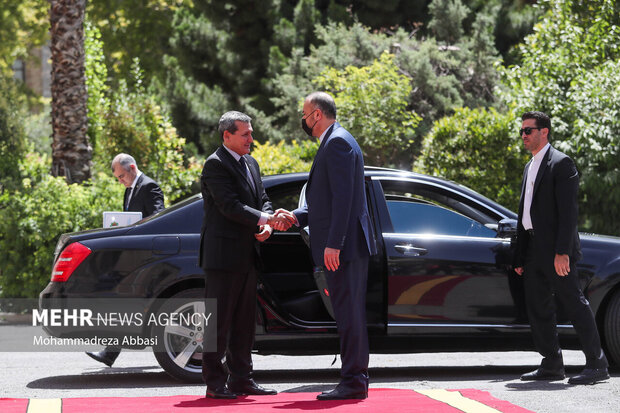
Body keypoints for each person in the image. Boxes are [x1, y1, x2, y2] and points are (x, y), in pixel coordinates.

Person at [279, 92, 376, 400]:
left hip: (343, 248)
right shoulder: (337, 140)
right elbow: (326, 201)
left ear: (317, 115)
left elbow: (344, 200)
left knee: (349, 314)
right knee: (349, 313)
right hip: (345, 246)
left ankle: (354, 381)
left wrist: (334, 244)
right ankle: (355, 379)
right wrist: (295, 216)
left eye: (305, 115)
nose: (304, 121)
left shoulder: (337, 143)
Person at [514, 111, 609, 385]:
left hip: (556, 251)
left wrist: (562, 252)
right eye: (521, 131)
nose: (524, 135)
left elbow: (569, 214)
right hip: (532, 250)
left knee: (575, 304)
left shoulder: (561, 163)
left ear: (544, 132)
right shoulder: (529, 166)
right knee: (539, 307)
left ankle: (596, 364)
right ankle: (552, 363)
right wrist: (521, 255)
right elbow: (525, 213)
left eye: (528, 130)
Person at [200, 111, 290, 399]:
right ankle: (215, 383)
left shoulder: (251, 162)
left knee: (243, 323)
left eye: (251, 133)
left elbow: (261, 198)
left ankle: (242, 380)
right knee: (219, 322)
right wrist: (265, 219)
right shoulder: (215, 164)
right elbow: (230, 206)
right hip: (223, 257)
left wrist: (267, 227)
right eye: (245, 134)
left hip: (248, 255)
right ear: (227, 136)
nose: (252, 139)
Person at [86, 153, 165, 367]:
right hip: (131, 254)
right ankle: (110, 352)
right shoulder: (130, 189)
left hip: (147, 256)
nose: (120, 181)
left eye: (122, 176)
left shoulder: (149, 186)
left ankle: (110, 352)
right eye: (118, 178)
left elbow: (159, 217)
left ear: (131, 167)